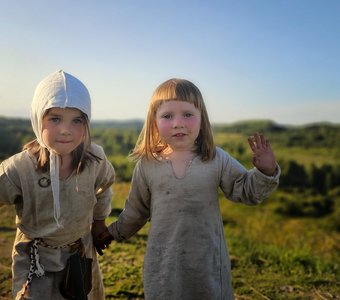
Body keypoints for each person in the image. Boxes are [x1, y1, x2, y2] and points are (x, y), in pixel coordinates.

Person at [101, 78, 280, 299]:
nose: (178, 123)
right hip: (164, 263)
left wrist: (266, 172)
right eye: (167, 116)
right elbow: (136, 212)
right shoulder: (148, 165)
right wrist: (112, 233)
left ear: (202, 119)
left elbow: (244, 190)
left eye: (187, 114)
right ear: (154, 121)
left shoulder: (215, 158)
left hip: (208, 262)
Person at [0, 70, 115, 300]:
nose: (65, 129)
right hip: (35, 260)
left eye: (77, 120)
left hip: (80, 253)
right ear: (37, 117)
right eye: (55, 119)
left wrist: (99, 222)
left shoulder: (95, 159)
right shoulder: (19, 168)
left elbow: (104, 188)